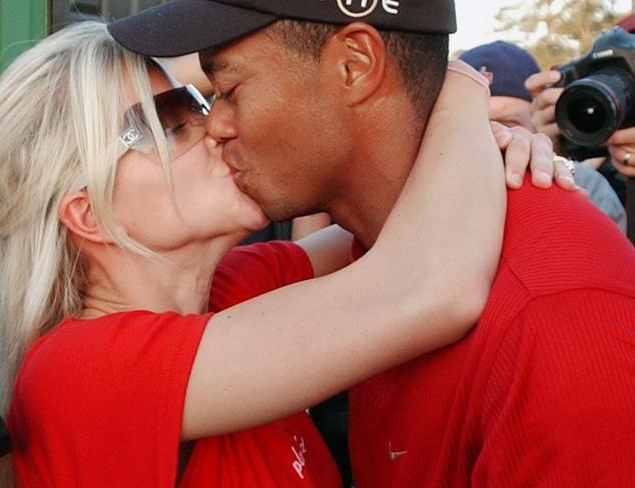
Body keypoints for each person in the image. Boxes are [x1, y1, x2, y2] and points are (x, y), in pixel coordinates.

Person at [0, 20, 559, 488]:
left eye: (199, 101)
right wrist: (458, 90)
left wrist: (502, 144)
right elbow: (431, 286)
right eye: (166, 122)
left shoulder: (230, 291)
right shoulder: (78, 373)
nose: (215, 126)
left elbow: (397, 213)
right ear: (87, 214)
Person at [109, 0, 635, 486]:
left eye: (229, 91)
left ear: (355, 66)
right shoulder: (376, 257)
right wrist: (463, 99)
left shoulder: (559, 311)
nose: (214, 127)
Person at [460, 40, 627, 233]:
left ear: (537, 124)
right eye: (476, 123)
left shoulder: (583, 185)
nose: (495, 135)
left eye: (509, 125)